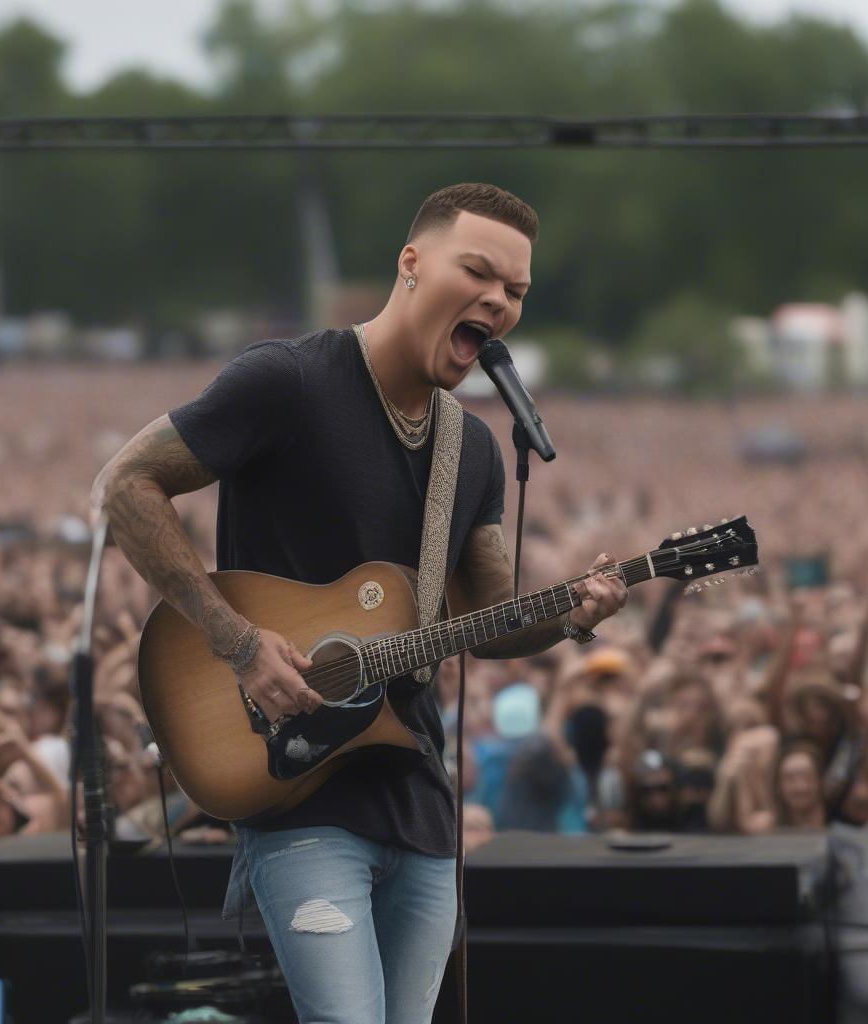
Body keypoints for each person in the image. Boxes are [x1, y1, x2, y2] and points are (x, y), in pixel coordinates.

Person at [92, 182, 627, 1023]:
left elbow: (488, 624)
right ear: (412, 263)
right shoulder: (289, 382)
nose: (498, 300)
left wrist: (572, 617)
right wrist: (237, 643)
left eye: (516, 291)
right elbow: (126, 482)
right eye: (479, 272)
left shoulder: (474, 448)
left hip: (416, 797)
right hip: (299, 787)